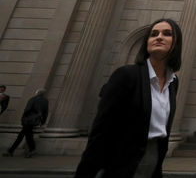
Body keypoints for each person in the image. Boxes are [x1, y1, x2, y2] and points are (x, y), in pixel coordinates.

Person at [74, 18, 182, 178]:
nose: (159, 37)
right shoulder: (126, 75)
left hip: (153, 162)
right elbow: (101, 130)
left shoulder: (172, 82)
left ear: (176, 43)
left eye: (167, 34)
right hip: (122, 163)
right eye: (153, 34)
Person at [3, 88, 48, 158]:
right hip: (36, 120)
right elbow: (45, 112)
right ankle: (14, 150)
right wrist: (43, 121)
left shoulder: (32, 99)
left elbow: (27, 109)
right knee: (26, 135)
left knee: (23, 135)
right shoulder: (45, 101)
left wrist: (23, 118)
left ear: (37, 93)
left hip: (28, 120)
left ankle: (13, 151)